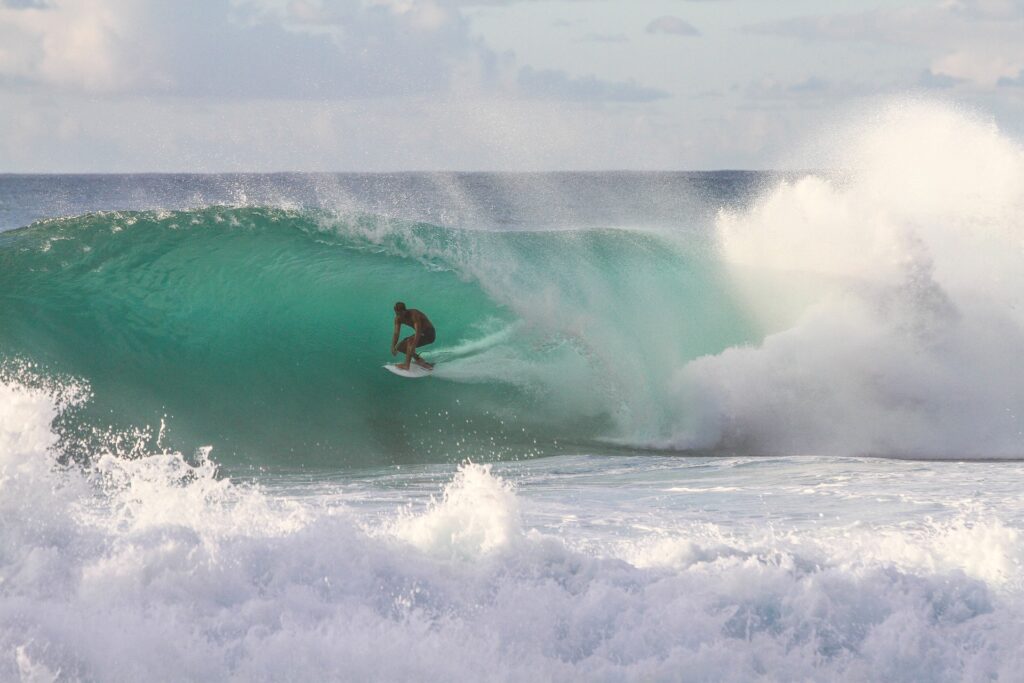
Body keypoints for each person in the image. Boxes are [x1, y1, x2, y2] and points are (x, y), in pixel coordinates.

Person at [391, 301, 435, 370]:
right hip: (421, 334)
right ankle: (419, 360)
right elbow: (396, 333)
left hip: (429, 334)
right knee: (400, 347)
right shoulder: (398, 318)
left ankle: (406, 366)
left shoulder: (414, 314)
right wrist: (393, 346)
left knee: (410, 341)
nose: (399, 316)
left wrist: (413, 346)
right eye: (397, 313)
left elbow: (418, 331)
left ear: (404, 310)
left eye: (400, 313)